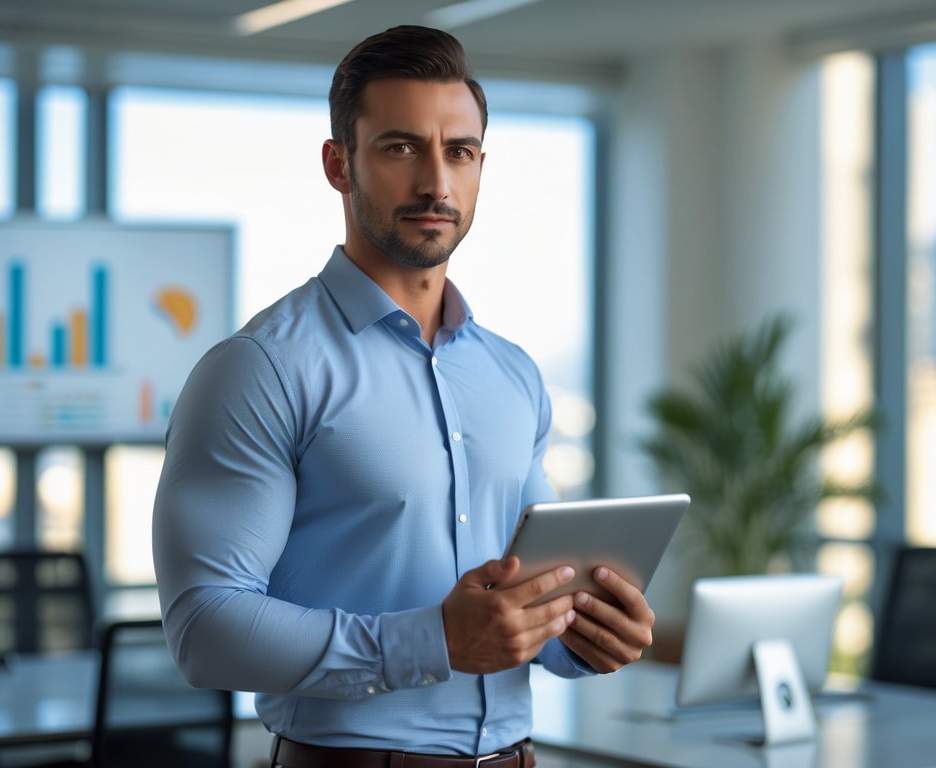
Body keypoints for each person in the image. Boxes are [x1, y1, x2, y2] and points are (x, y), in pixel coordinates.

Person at [152, 25, 655, 768]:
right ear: (338, 164)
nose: (435, 184)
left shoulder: (512, 376)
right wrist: (432, 642)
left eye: (458, 152)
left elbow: (524, 602)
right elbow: (206, 630)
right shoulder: (261, 368)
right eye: (399, 148)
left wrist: (582, 636)